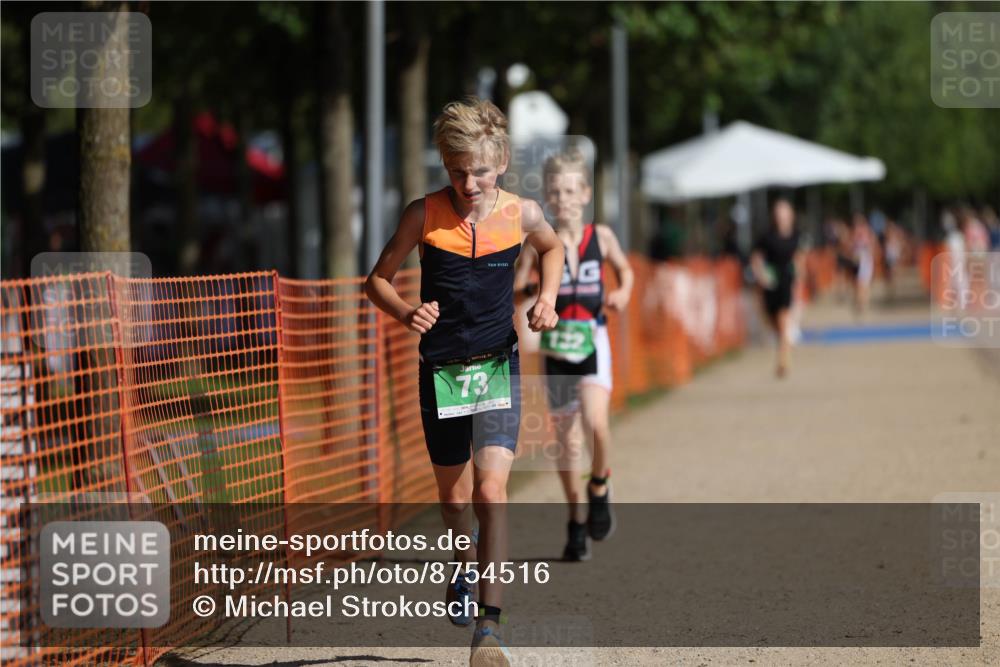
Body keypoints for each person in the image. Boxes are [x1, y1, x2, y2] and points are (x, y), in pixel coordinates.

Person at [365, 98, 563, 667]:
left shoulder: (522, 213)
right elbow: (376, 280)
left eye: (478, 170)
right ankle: (461, 563)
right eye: (456, 171)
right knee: (454, 501)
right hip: (443, 371)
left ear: (501, 162)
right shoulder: (423, 214)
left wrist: (547, 298)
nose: (468, 183)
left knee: (490, 492)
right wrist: (406, 312)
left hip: (498, 363)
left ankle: (489, 629)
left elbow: (552, 247)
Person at [513, 150, 633, 562]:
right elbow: (516, 288)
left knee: (597, 424)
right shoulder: (539, 242)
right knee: (566, 440)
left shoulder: (602, 237)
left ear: (584, 194)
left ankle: (599, 483)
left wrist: (623, 292)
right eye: (555, 191)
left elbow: (626, 270)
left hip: (592, 340)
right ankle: (576, 519)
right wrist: (531, 294)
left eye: (569, 191)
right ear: (547, 196)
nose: (562, 199)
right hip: (556, 347)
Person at [750, 197, 803, 378]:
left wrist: (799, 278)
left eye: (785, 212)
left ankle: (783, 361)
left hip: (786, 281)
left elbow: (799, 259)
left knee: (782, 319)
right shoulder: (767, 237)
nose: (782, 216)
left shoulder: (796, 236)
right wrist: (761, 275)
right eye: (779, 212)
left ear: (790, 215)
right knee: (772, 321)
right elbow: (756, 258)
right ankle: (786, 341)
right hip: (770, 282)